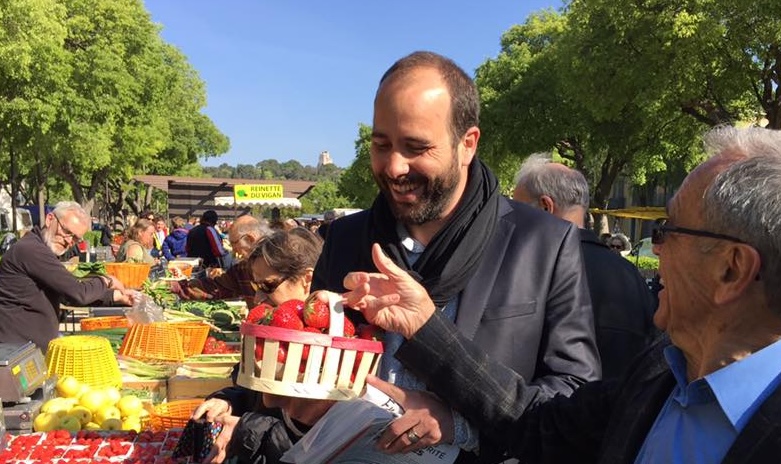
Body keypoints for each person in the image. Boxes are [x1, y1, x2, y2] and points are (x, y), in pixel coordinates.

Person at [346, 126, 781, 463]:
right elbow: (535, 422)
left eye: (670, 231)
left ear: (732, 270)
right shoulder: (661, 370)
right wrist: (424, 327)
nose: (657, 254)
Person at [311, 51, 599, 461]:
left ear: (467, 144)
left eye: (416, 147)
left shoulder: (544, 243)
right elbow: (304, 360)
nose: (394, 167)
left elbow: (574, 398)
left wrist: (458, 423)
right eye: (382, 144)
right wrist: (254, 403)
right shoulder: (344, 237)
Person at [512, 154, 657, 381]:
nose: (511, 224)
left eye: (517, 212)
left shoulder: (526, 275)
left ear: (545, 207)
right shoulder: (631, 277)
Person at [190, 228, 326, 463]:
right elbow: (261, 400)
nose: (259, 299)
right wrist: (230, 401)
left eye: (269, 286)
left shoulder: (334, 353)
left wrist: (243, 429)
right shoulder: (279, 338)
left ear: (307, 279)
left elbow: (312, 444)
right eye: (256, 288)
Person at [0, 201, 133, 352]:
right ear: (50, 219)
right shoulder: (30, 250)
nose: (69, 241)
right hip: (17, 351)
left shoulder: (42, 249)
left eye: (76, 238)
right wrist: (107, 280)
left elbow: (66, 295)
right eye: (66, 232)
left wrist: (117, 297)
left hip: (30, 349)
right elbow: (78, 293)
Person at [172, 214, 271, 302]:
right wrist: (180, 286)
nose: (234, 252)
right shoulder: (242, 269)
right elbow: (216, 286)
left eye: (234, 244)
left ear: (250, 239)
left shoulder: (279, 263)